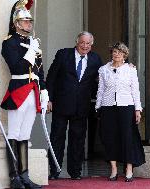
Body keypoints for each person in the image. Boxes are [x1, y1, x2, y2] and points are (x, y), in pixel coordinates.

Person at [0, 0, 47, 188]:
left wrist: (44, 90)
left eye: (30, 21)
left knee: (25, 135)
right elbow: (17, 66)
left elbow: (39, 70)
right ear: (16, 24)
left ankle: (24, 176)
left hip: (33, 90)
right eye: (25, 21)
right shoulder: (9, 42)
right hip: (18, 88)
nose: (29, 24)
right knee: (14, 133)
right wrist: (31, 51)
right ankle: (14, 177)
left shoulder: (32, 42)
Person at [46, 31, 102, 180]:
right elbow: (51, 77)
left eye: (88, 43)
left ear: (91, 45)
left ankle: (75, 172)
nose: (85, 46)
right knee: (57, 138)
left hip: (81, 106)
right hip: (61, 104)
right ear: (77, 42)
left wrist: (126, 66)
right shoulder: (63, 54)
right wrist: (48, 99)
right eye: (82, 42)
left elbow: (105, 76)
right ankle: (54, 170)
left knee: (77, 139)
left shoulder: (96, 59)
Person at [95, 42, 145, 182]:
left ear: (124, 55)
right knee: (110, 138)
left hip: (126, 106)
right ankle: (114, 169)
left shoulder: (130, 69)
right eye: (114, 52)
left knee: (127, 137)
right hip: (108, 106)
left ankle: (129, 169)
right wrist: (98, 107)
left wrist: (138, 109)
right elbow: (101, 90)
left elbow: (135, 90)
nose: (116, 54)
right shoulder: (104, 69)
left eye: (119, 52)